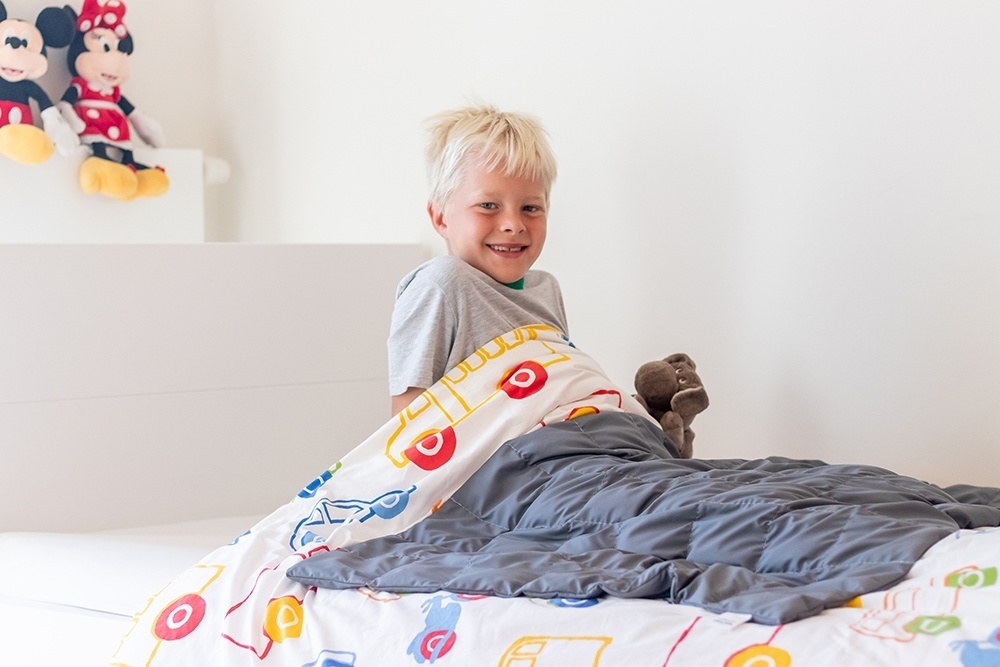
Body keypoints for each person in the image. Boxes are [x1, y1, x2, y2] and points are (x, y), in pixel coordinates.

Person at [388, 104, 569, 415]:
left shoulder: (546, 289)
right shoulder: (441, 285)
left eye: (530, 208)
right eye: (488, 205)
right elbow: (408, 421)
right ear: (441, 218)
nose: (514, 224)